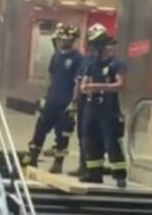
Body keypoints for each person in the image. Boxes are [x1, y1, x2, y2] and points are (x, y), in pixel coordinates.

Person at [26, 23, 82, 174]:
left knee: (62, 134)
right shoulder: (56, 56)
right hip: (51, 100)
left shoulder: (78, 59)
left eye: (64, 40)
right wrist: (45, 96)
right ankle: (32, 158)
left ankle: (58, 163)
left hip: (65, 102)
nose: (62, 42)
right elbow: (50, 77)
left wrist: (74, 103)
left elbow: (78, 82)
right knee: (40, 129)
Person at [79, 25, 127, 188]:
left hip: (109, 108)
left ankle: (119, 175)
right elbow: (84, 86)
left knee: (111, 140)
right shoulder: (91, 64)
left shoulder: (116, 63)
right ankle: (94, 173)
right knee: (90, 139)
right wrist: (87, 88)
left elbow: (120, 84)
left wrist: (99, 87)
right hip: (91, 107)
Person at [67, 28, 101, 178]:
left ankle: (92, 169)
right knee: (82, 134)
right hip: (83, 100)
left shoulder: (102, 61)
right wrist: (74, 100)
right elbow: (78, 81)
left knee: (92, 136)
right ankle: (84, 166)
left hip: (97, 102)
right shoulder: (86, 60)